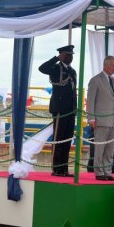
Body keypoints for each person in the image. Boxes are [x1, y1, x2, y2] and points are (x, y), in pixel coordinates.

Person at [38, 45, 77, 177]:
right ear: (62, 56)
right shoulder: (55, 68)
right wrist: (56, 59)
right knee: (58, 139)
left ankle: (64, 168)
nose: (70, 57)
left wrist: (75, 109)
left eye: (71, 55)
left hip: (70, 110)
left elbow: (73, 93)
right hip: (60, 109)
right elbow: (42, 68)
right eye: (67, 55)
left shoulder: (72, 71)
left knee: (67, 140)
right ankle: (56, 169)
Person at [87, 55, 114, 181]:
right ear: (105, 65)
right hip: (100, 120)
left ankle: (107, 170)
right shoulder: (96, 80)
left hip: (113, 120)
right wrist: (91, 118)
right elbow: (90, 101)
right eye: (112, 65)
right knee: (100, 148)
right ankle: (99, 172)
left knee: (110, 149)